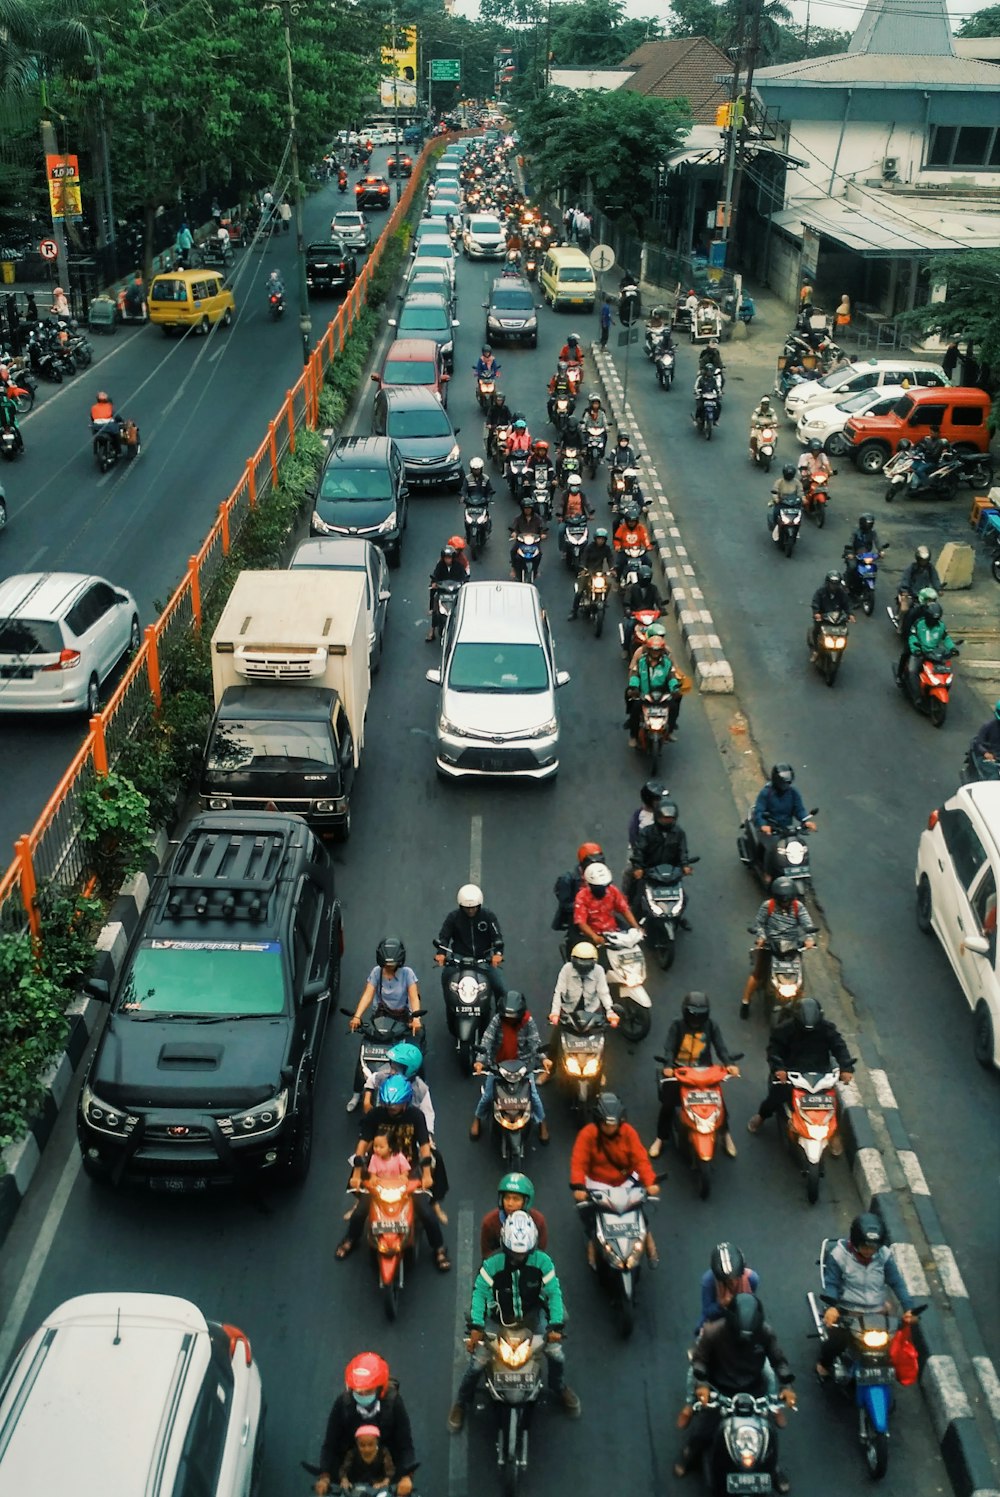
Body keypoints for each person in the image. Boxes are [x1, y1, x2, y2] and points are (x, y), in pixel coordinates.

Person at [448, 1210, 581, 1430]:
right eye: (514, 1252)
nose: (519, 1258)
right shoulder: (492, 1264)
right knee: (478, 1362)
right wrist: (477, 1326)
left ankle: (558, 1386)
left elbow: (554, 1293)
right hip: (498, 1320)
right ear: (505, 1246)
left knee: (556, 1354)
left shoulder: (543, 1262)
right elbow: (480, 1292)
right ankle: (461, 1402)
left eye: (524, 1253)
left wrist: (555, 1324)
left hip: (532, 1318)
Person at [674, 1293, 796, 1489]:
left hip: (754, 1390)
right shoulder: (713, 1332)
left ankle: (773, 1468)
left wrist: (787, 1386)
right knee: (704, 1431)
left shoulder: (765, 1333)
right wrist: (703, 1385)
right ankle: (690, 1454)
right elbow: (700, 1360)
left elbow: (779, 1361)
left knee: (768, 1434)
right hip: (720, 1389)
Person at [349, 1075, 450, 1270]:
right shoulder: (375, 1115)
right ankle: (350, 1239)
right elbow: (362, 1147)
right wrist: (356, 1174)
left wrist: (427, 1174)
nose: (391, 1108)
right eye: (387, 1104)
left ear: (405, 1102)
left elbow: (424, 1147)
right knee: (361, 1211)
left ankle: (438, 1249)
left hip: (408, 1171)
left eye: (395, 1105)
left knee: (427, 1213)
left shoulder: (415, 1117)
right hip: (380, 1170)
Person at [817, 1213, 917, 1378]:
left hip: (876, 1312)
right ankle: (824, 1364)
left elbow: (897, 1283)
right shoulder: (839, 1255)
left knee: (891, 1351)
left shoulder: (884, 1256)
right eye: (866, 1246)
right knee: (835, 1344)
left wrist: (909, 1308)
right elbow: (831, 1284)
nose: (870, 1251)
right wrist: (832, 1307)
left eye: (874, 1247)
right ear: (855, 1241)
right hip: (848, 1311)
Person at [570, 1092, 659, 1268]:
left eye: (614, 1124)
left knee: (639, 1209)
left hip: (625, 1181)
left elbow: (640, 1158)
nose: (610, 1128)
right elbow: (578, 1162)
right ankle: (592, 1240)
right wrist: (579, 1186)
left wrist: (650, 1182)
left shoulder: (629, 1133)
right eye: (606, 1124)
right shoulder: (587, 1135)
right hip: (597, 1183)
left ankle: (648, 1239)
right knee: (588, 1214)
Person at [648, 993, 739, 1159]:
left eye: (700, 1015)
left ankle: (726, 1135)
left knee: (719, 1105)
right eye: (692, 1015)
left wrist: (729, 1064)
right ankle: (660, 1138)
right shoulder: (677, 1025)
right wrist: (668, 1066)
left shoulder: (711, 1026)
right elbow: (669, 1048)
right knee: (668, 1104)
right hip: (679, 1071)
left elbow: (721, 1047)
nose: (696, 1019)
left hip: (705, 1072)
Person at [747, 996, 853, 1137]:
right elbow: (774, 1050)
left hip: (821, 1072)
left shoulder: (827, 1028)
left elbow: (839, 1047)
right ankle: (761, 1116)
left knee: (835, 1103)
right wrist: (779, 1068)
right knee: (776, 1095)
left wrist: (846, 1068)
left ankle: (835, 1134)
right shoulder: (785, 1029)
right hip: (792, 1071)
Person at [313, 1354, 417, 1497]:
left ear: (381, 1389)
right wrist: (324, 1476)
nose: (362, 1395)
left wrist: (406, 1477)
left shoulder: (394, 1404)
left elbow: (405, 1444)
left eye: (368, 1391)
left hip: (387, 1471)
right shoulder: (343, 1404)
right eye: (358, 1391)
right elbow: (330, 1444)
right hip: (351, 1472)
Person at [346, 937, 423, 1109]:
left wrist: (416, 1019)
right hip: (380, 1018)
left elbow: (413, 996)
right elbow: (367, 994)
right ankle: (357, 1093)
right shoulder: (376, 973)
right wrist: (357, 1016)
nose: (389, 967)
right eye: (387, 964)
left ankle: (417, 1091)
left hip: (402, 1019)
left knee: (414, 1053)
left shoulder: (408, 974)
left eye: (393, 964)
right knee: (363, 1055)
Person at [470, 989, 549, 1143]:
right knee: (487, 1096)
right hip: (498, 1066)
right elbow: (487, 1039)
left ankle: (542, 1123)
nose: (509, 1021)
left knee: (534, 1097)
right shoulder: (497, 1021)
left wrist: (543, 1059)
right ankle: (477, 1119)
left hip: (523, 1067)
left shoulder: (528, 1022)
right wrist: (480, 1061)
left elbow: (535, 1043)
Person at [740, 877, 815, 1019]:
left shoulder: (798, 907)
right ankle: (745, 1002)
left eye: (787, 900)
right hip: (771, 945)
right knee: (757, 974)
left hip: (793, 947)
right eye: (782, 900)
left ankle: (799, 1010)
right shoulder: (768, 906)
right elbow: (759, 924)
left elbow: (807, 924)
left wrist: (809, 939)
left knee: (800, 983)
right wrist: (761, 937)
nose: (785, 903)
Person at [436, 883, 507, 1001]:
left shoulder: (488, 916)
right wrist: (441, 953)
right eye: (467, 908)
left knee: (501, 988)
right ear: (461, 906)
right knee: (447, 977)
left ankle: (500, 1017)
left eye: (473, 907)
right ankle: (451, 1009)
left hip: (483, 959)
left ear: (479, 905)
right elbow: (444, 937)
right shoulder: (453, 917)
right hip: (459, 959)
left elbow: (497, 937)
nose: (470, 910)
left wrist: (497, 954)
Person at [749, 764, 815, 885]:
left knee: (797, 847)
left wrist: (806, 821)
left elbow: (799, 809)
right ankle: (767, 873)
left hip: (786, 828)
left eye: (788, 783)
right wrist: (763, 825)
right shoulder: (766, 793)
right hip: (770, 829)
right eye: (784, 783)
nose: (786, 786)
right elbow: (759, 811)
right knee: (772, 849)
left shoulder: (793, 793)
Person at [626, 623, 684, 746]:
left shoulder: (667, 662)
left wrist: (675, 688)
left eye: (658, 651)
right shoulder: (641, 660)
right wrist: (634, 687)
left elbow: (671, 675)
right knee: (635, 708)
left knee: (673, 706)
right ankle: (633, 735)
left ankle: (670, 730)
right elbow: (635, 674)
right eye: (653, 650)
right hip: (644, 693)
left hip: (662, 694)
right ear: (649, 649)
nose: (655, 653)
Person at [362, 1041, 435, 1135]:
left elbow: (428, 1113)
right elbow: (371, 1081)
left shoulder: (420, 1088)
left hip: (406, 1129)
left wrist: (428, 1134)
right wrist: (367, 1102)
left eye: (396, 1069)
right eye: (391, 1067)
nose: (391, 1072)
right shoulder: (384, 1076)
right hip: (383, 1125)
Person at [548, 940, 619, 1036]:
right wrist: (554, 1013)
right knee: (558, 1038)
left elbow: (603, 993)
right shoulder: (566, 969)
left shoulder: (599, 970)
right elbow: (559, 992)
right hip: (569, 1011)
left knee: (598, 1039)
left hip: (592, 1012)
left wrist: (611, 1012)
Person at [572, 862, 642, 949]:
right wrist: (594, 937)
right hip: (592, 935)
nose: (604, 890)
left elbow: (624, 909)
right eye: (600, 887)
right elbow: (581, 923)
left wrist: (637, 927)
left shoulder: (612, 890)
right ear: (590, 885)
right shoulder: (582, 897)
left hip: (613, 932)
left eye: (606, 886)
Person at [480, 1172, 548, 1256]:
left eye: (516, 1199)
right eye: (507, 1198)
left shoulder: (538, 1221)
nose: (510, 1203)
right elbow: (487, 1257)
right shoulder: (489, 1222)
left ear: (525, 1201)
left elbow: (540, 1255)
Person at [552, 842, 608, 931]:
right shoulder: (567, 879)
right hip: (577, 917)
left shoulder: (601, 875)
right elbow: (565, 905)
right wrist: (586, 906)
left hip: (600, 915)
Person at [905, 599, 957, 693]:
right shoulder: (919, 624)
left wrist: (952, 648)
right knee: (912, 670)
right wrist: (916, 649)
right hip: (921, 652)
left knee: (946, 671)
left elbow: (946, 638)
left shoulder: (940, 626)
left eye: (936, 619)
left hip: (934, 654)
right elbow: (913, 637)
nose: (934, 621)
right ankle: (916, 694)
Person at [568, 527, 613, 619]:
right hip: (588, 572)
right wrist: (583, 568)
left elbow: (610, 558)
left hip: (599, 572)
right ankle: (574, 611)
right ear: (595, 538)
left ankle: (604, 599)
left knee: (609, 583)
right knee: (580, 591)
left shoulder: (606, 549)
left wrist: (612, 569)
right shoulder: (589, 547)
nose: (600, 541)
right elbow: (584, 558)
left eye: (602, 539)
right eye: (599, 538)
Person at [809, 570, 854, 659]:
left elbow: (847, 604)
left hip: (838, 619)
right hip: (823, 618)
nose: (834, 586)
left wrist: (850, 614)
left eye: (836, 584)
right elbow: (815, 602)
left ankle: (840, 651)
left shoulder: (842, 593)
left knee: (844, 633)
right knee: (816, 630)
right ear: (828, 583)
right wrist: (816, 613)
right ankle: (815, 650)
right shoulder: (820, 592)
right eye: (832, 584)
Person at [426, 543, 467, 641]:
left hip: (454, 592)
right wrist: (434, 583)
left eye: (449, 558)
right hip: (442, 591)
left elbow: (464, 576)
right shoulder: (440, 565)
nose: (448, 560)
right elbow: (435, 575)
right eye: (446, 558)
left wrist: (463, 583)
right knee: (435, 607)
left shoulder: (459, 566)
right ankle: (432, 631)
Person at [337, 1424, 394, 1490]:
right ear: (357, 1443)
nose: (367, 1449)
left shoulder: (383, 1452)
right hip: (356, 1485)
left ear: (377, 1442)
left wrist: (385, 1482)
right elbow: (344, 1470)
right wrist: (345, 1481)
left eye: (370, 1444)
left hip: (378, 1486)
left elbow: (390, 1470)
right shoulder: (352, 1453)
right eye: (362, 1445)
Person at [842, 510, 882, 596]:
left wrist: (881, 550)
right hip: (854, 553)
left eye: (870, 524)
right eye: (867, 524)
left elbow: (877, 541)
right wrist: (850, 553)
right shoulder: (855, 532)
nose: (869, 526)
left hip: (865, 554)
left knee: (871, 567)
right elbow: (850, 542)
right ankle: (847, 584)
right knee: (853, 567)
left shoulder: (872, 532)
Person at [613, 503, 652, 581]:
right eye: (630, 521)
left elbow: (645, 538)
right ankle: (617, 581)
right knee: (619, 565)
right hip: (625, 551)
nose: (632, 523)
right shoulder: (622, 528)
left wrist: (648, 546)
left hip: (638, 551)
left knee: (648, 563)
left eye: (633, 521)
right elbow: (617, 538)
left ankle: (645, 579)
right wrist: (617, 546)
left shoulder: (640, 528)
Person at [898, 544, 942, 612]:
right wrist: (904, 591)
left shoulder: (930, 568)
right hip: (911, 594)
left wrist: (938, 589)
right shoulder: (912, 568)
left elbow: (935, 578)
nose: (924, 562)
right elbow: (905, 579)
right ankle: (900, 618)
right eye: (922, 560)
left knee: (933, 609)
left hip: (925, 595)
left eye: (925, 560)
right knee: (905, 609)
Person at [89, 388, 123, 459]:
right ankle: (119, 451)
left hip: (97, 427)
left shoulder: (93, 407)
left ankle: (95, 451)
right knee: (116, 435)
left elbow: (92, 418)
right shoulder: (109, 406)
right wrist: (121, 421)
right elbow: (116, 416)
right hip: (109, 427)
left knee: (95, 436)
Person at [768, 464, 802, 530]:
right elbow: (775, 491)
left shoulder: (797, 482)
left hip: (794, 503)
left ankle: (796, 528)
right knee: (776, 512)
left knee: (799, 514)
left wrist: (802, 498)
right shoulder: (779, 482)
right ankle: (775, 526)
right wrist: (776, 499)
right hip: (782, 503)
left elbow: (800, 492)